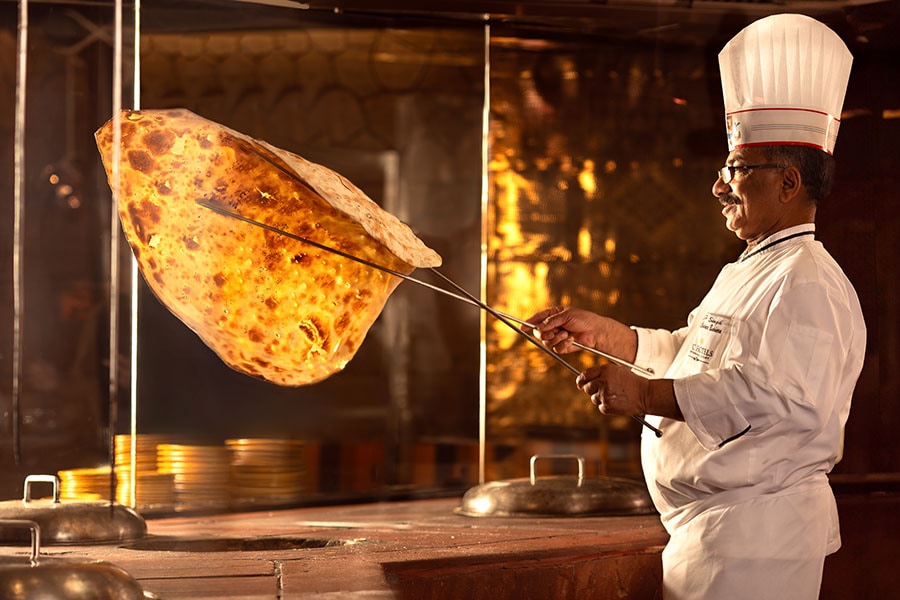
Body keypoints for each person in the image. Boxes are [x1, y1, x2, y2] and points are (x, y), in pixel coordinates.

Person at [524, 14, 866, 600]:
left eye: (735, 169)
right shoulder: (755, 266)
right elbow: (696, 351)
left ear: (788, 183)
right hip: (715, 535)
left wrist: (646, 395)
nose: (718, 186)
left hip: (759, 539)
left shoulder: (809, 279)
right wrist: (616, 338)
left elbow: (779, 397)